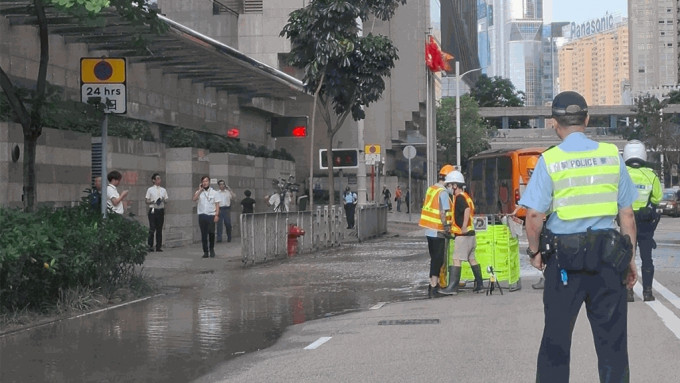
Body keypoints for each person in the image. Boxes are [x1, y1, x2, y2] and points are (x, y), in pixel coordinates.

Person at [519, 91, 638, 382]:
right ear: (587, 119)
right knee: (612, 345)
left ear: (553, 123)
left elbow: (534, 217)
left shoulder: (551, 160)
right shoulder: (612, 155)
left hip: (564, 264)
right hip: (609, 261)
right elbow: (627, 216)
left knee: (556, 344)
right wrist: (629, 260)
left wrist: (534, 252)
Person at [623, 140, 662, 302]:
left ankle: (628, 292)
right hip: (645, 222)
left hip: (626, 220)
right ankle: (647, 292)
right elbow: (657, 198)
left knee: (626, 256)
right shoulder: (651, 175)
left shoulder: (622, 173)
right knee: (647, 258)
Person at [438, 170, 484, 295]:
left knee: (456, 259)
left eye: (449, 185)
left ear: (455, 185)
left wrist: (463, 226)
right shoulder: (466, 196)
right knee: (471, 258)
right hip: (471, 234)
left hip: (463, 235)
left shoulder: (459, 198)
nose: (448, 188)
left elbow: (467, 210)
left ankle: (452, 287)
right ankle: (480, 284)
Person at [419, 164, 454, 298]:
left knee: (434, 258)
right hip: (438, 230)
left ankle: (434, 283)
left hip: (429, 229)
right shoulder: (443, 192)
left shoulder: (431, 189)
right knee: (438, 259)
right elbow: (443, 212)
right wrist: (447, 228)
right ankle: (434, 285)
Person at [192, 176, 220, 258]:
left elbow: (217, 205)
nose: (205, 183)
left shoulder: (215, 193)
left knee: (211, 233)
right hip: (202, 215)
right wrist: (200, 190)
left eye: (206, 181)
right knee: (203, 234)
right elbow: (194, 199)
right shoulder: (199, 192)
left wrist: (217, 215)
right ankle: (205, 251)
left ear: (209, 182)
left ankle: (211, 249)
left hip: (211, 215)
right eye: (203, 181)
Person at [145, 173, 169, 252]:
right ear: (153, 180)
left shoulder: (163, 190)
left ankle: (158, 246)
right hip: (153, 209)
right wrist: (152, 201)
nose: (159, 180)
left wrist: (163, 200)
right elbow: (146, 200)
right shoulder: (150, 189)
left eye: (160, 179)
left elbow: (166, 200)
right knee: (152, 228)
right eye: (157, 179)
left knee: (159, 228)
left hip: (160, 209)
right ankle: (150, 245)